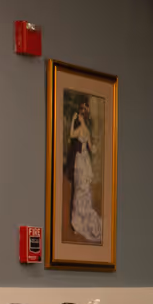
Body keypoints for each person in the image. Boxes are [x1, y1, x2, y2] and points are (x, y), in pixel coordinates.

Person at [67, 102, 103, 242]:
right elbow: (90, 148)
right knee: (82, 189)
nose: (80, 117)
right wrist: (94, 149)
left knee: (80, 190)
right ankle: (79, 219)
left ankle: (77, 222)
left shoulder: (81, 130)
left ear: (82, 117)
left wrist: (72, 121)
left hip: (81, 160)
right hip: (84, 159)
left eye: (81, 115)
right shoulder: (86, 130)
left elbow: (72, 134)